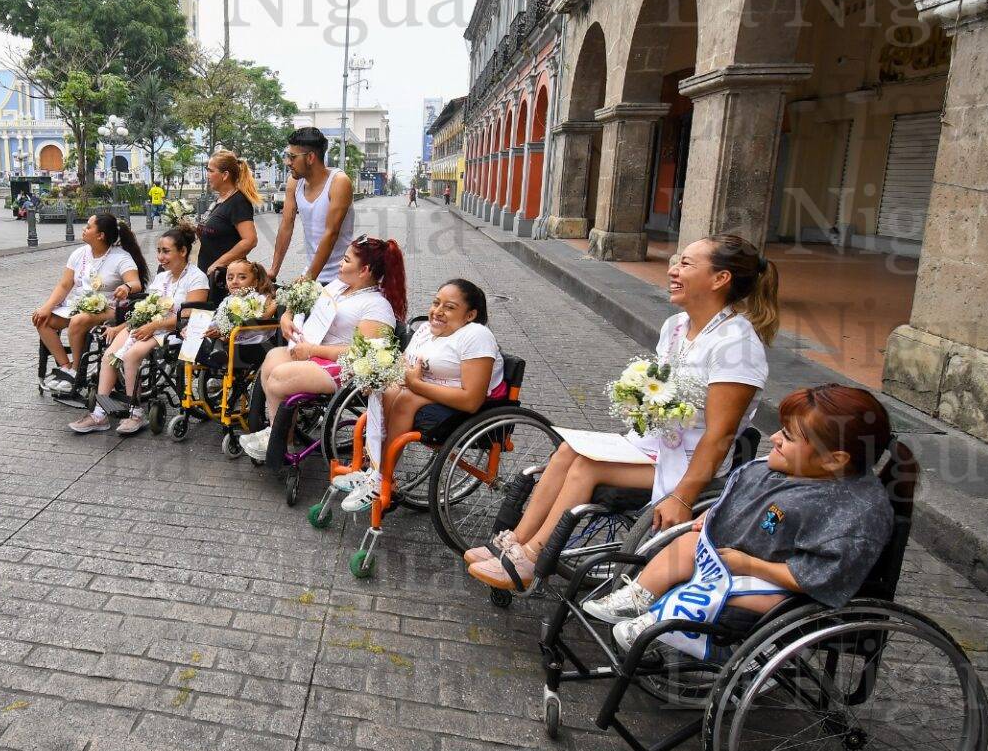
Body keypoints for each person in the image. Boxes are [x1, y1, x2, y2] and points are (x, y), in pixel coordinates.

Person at [467, 235, 779, 593]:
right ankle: (514, 543)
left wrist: (681, 497)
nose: (673, 271)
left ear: (720, 279)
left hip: (688, 461)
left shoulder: (737, 344)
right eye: (676, 261)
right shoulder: (676, 326)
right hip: (652, 443)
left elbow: (721, 434)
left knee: (587, 465)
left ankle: (533, 557)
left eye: (686, 264)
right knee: (568, 450)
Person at [581, 384, 895, 652]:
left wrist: (751, 565)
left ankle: (658, 621)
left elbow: (819, 577)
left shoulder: (854, 513)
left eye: (788, 436)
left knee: (727, 588)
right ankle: (638, 596)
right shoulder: (793, 471)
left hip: (784, 589)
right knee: (689, 540)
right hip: (739, 557)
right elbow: (742, 499)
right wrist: (715, 514)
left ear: (834, 460)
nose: (774, 438)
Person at [336, 279, 505, 512]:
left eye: (450, 307)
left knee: (405, 398)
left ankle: (381, 478)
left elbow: (472, 400)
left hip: (468, 402)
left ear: (470, 315)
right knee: (387, 391)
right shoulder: (426, 330)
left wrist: (414, 384)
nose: (438, 311)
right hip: (429, 389)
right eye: (436, 303)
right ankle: (375, 470)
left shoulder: (476, 335)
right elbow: (403, 366)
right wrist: (376, 377)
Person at [239, 237, 407, 463]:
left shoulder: (377, 305)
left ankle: (279, 437)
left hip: (344, 365)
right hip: (317, 351)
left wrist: (312, 350)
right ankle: (279, 435)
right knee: (272, 358)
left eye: (346, 260)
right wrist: (287, 317)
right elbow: (303, 303)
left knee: (279, 377)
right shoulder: (339, 287)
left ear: (364, 270)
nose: (340, 263)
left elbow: (365, 354)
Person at [71, 225, 210, 435]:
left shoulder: (196, 277)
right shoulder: (162, 277)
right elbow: (145, 309)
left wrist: (155, 325)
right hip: (147, 325)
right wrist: (120, 327)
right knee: (109, 355)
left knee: (132, 354)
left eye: (166, 251)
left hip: (173, 330)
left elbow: (191, 314)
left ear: (182, 251)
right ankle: (100, 414)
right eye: (159, 251)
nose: (161, 257)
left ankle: (136, 413)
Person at [31, 212, 148, 393]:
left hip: (109, 307)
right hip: (80, 304)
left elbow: (136, 283)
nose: (84, 230)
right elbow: (64, 285)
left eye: (88, 227)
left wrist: (126, 287)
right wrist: (46, 307)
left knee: (78, 321)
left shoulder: (121, 257)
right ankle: (66, 366)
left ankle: (78, 371)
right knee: (41, 319)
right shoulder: (79, 254)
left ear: (100, 235)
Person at [269, 127, 355, 284]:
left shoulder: (339, 182)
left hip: (340, 276)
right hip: (311, 271)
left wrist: (308, 281)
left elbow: (331, 233)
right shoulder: (294, 182)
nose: (288, 162)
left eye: (292, 157)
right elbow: (286, 226)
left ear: (310, 157)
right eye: (287, 156)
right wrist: (273, 271)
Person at [197, 149, 261, 300]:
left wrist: (219, 263)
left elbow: (250, 240)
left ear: (225, 175)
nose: (207, 176)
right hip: (210, 274)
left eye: (211, 171)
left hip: (224, 279)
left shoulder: (238, 201)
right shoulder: (220, 200)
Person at [198, 259, 278, 371]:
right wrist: (204, 329)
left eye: (242, 277)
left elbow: (262, 317)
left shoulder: (259, 298)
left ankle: (219, 356)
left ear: (255, 282)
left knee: (222, 341)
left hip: (255, 344)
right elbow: (217, 320)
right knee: (198, 339)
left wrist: (275, 303)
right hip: (233, 342)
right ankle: (216, 359)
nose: (234, 281)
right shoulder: (227, 300)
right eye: (230, 278)